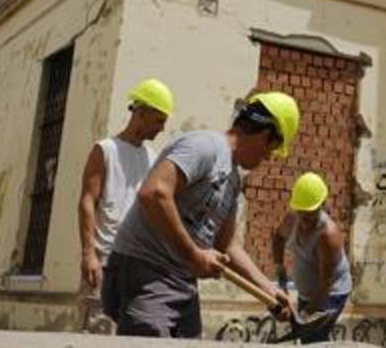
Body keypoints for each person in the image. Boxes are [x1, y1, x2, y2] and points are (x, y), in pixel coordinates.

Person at [102, 91, 302, 337]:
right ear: (265, 135)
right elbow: (154, 193)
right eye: (272, 149)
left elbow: (226, 243)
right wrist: (193, 255)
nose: (268, 158)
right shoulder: (204, 146)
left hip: (182, 281)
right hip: (146, 272)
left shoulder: (233, 180)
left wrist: (267, 288)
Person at [77, 78, 172, 331]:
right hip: (103, 262)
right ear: (140, 112)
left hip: (136, 263)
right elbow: (87, 201)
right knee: (98, 332)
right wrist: (89, 254)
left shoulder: (153, 159)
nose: (162, 128)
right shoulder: (105, 150)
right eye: (159, 120)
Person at [271, 172, 353, 343]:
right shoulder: (291, 220)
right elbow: (278, 238)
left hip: (331, 293)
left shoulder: (327, 235)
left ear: (322, 205)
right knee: (310, 338)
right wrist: (280, 272)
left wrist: (305, 315)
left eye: (311, 213)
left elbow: (326, 283)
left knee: (312, 338)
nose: (305, 218)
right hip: (306, 292)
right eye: (302, 212)